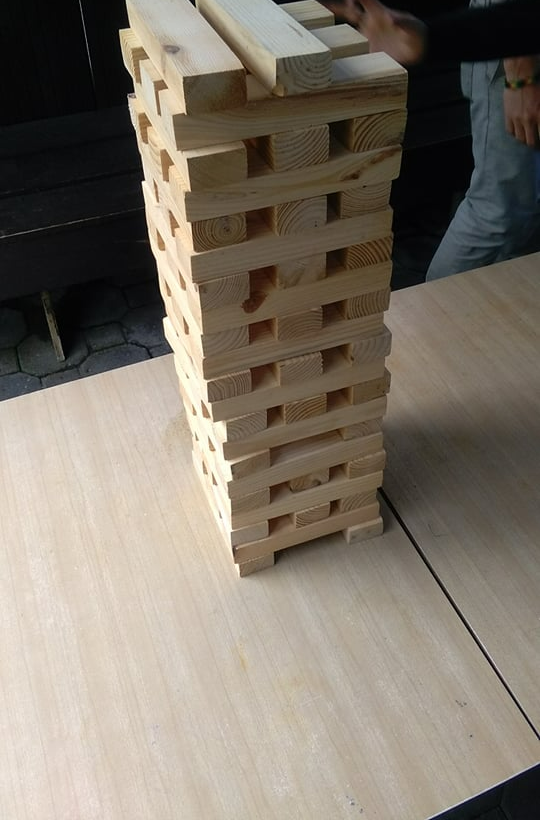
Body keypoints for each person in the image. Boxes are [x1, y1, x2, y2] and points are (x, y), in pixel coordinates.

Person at [326, 0, 540, 280]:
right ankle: (429, 317)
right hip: (520, 51)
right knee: (500, 210)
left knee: (524, 210)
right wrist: (520, 75)